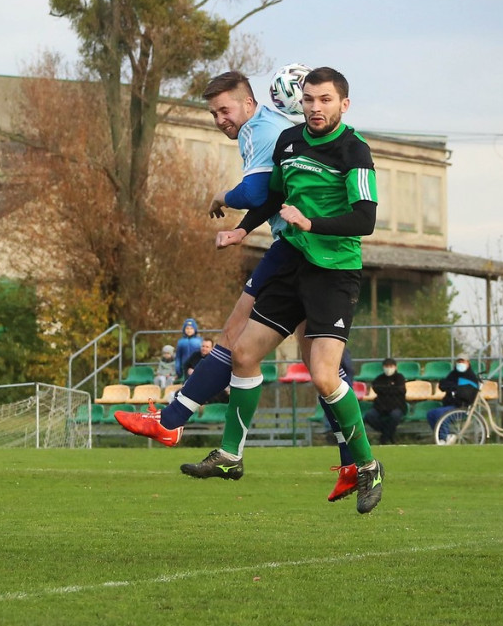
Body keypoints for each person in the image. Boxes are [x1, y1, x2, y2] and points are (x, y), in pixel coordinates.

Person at [113, 71, 358, 500]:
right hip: (295, 248)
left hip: (301, 252)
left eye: (224, 110)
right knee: (305, 362)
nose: (220, 120)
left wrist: (222, 197)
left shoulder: (262, 130)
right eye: (213, 113)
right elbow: (273, 195)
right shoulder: (268, 130)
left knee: (247, 342)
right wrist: (243, 230)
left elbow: (258, 190)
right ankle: (349, 460)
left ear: (248, 103)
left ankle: (172, 422)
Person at [182, 67, 384, 513]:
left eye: (325, 100)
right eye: (309, 99)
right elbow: (273, 197)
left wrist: (311, 223)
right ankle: (230, 457)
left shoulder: (354, 150)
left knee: (325, 376)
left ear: (344, 105)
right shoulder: (289, 141)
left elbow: (365, 218)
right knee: (243, 353)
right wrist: (242, 229)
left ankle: (368, 466)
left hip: (333, 271)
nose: (315, 107)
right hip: (292, 261)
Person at [426, 358, 480, 444]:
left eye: (462, 361)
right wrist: (454, 387)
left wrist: (454, 388)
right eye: (458, 361)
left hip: (461, 407)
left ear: (468, 363)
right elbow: (443, 385)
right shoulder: (453, 374)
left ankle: (445, 438)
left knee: (440, 414)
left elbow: (466, 394)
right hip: (450, 405)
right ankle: (441, 437)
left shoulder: (471, 378)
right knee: (431, 414)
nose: (460, 363)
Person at [363, 358, 407, 445]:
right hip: (381, 407)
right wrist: (391, 388)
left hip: (397, 406)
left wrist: (384, 389)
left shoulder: (399, 377)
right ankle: (388, 433)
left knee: (395, 416)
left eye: (391, 366)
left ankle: (385, 437)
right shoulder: (379, 378)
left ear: (395, 367)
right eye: (386, 366)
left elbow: (401, 390)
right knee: (369, 416)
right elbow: (376, 388)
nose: (388, 368)